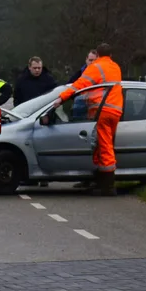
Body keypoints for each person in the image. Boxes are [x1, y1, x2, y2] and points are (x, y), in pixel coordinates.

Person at [52, 43, 122, 196]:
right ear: (110, 55)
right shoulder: (115, 67)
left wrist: (61, 99)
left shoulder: (96, 67)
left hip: (102, 110)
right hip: (116, 110)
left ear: (97, 54)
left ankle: (108, 186)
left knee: (105, 147)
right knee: (102, 145)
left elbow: (79, 85)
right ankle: (99, 181)